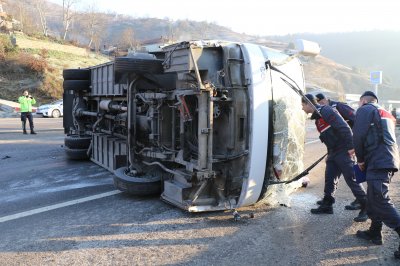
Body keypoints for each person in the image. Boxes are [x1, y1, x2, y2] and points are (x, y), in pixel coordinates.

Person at [301, 94, 367, 222]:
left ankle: (366, 207)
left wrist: (350, 148)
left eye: (303, 105)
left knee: (351, 179)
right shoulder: (318, 118)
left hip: (343, 150)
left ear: (309, 103)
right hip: (333, 152)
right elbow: (328, 136)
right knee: (330, 177)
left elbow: (345, 128)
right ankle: (327, 204)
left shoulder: (326, 110)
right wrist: (329, 154)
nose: (302, 108)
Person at [352, 91, 400, 259]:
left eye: (359, 103)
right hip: (386, 158)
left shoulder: (365, 109)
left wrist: (360, 159)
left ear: (363, 100)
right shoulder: (384, 112)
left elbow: (358, 135)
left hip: (378, 160)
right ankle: (374, 233)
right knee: (373, 197)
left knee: (380, 198)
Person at [315, 92, 361, 210]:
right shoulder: (322, 112)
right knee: (332, 173)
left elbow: (356, 119)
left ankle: (361, 200)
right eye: (319, 103)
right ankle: (328, 199)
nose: (321, 104)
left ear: (327, 99)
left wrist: (353, 141)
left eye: (322, 101)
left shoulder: (338, 106)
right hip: (337, 146)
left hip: (347, 144)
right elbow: (328, 134)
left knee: (351, 175)